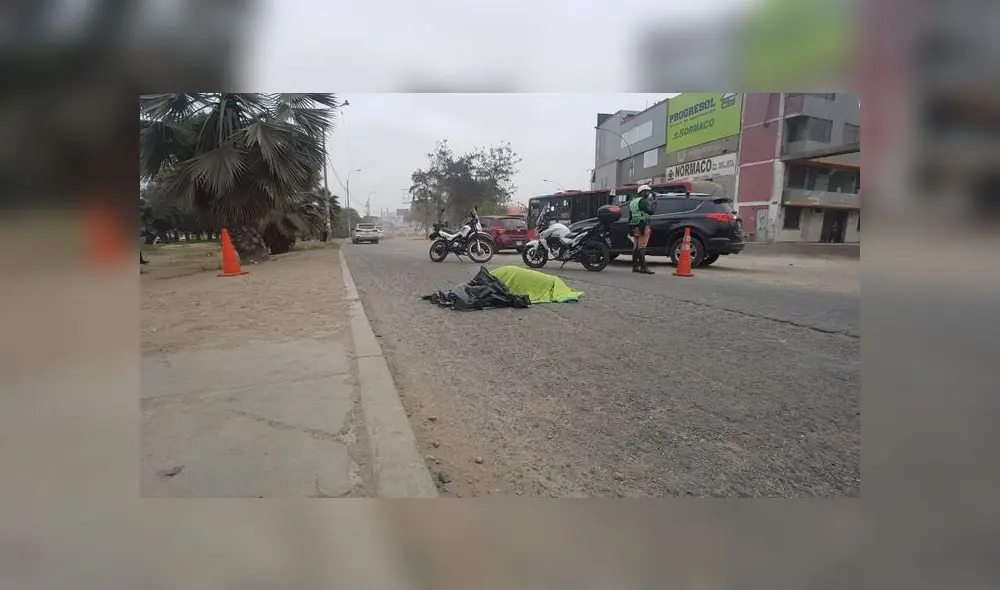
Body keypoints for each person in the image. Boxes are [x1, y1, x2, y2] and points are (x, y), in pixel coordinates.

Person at [628, 185, 656, 274]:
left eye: (648, 191)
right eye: (646, 191)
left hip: (634, 225)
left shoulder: (633, 202)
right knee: (642, 247)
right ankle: (644, 267)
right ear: (641, 192)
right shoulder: (643, 201)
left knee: (635, 247)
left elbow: (630, 215)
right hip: (643, 225)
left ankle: (635, 267)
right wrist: (654, 203)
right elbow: (651, 211)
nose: (648, 193)